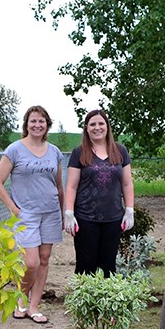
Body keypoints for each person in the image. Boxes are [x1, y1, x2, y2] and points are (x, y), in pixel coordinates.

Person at [0, 105, 64, 324]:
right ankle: (20, 300)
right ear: (26, 124)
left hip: (51, 212)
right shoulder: (15, 149)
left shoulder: (54, 152)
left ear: (47, 125)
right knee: (30, 262)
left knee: (44, 259)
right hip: (27, 214)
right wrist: (14, 209)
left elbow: (59, 186)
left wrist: (62, 212)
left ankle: (34, 306)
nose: (37, 125)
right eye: (33, 121)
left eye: (41, 121)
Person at [64, 109, 135, 276]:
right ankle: (84, 301)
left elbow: (127, 183)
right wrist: (69, 212)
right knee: (85, 266)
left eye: (101, 123)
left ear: (107, 127)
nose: (97, 127)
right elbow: (71, 186)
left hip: (113, 218)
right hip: (85, 218)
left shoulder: (120, 151)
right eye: (93, 124)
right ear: (87, 128)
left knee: (108, 267)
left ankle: (106, 301)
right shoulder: (79, 152)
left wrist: (130, 210)